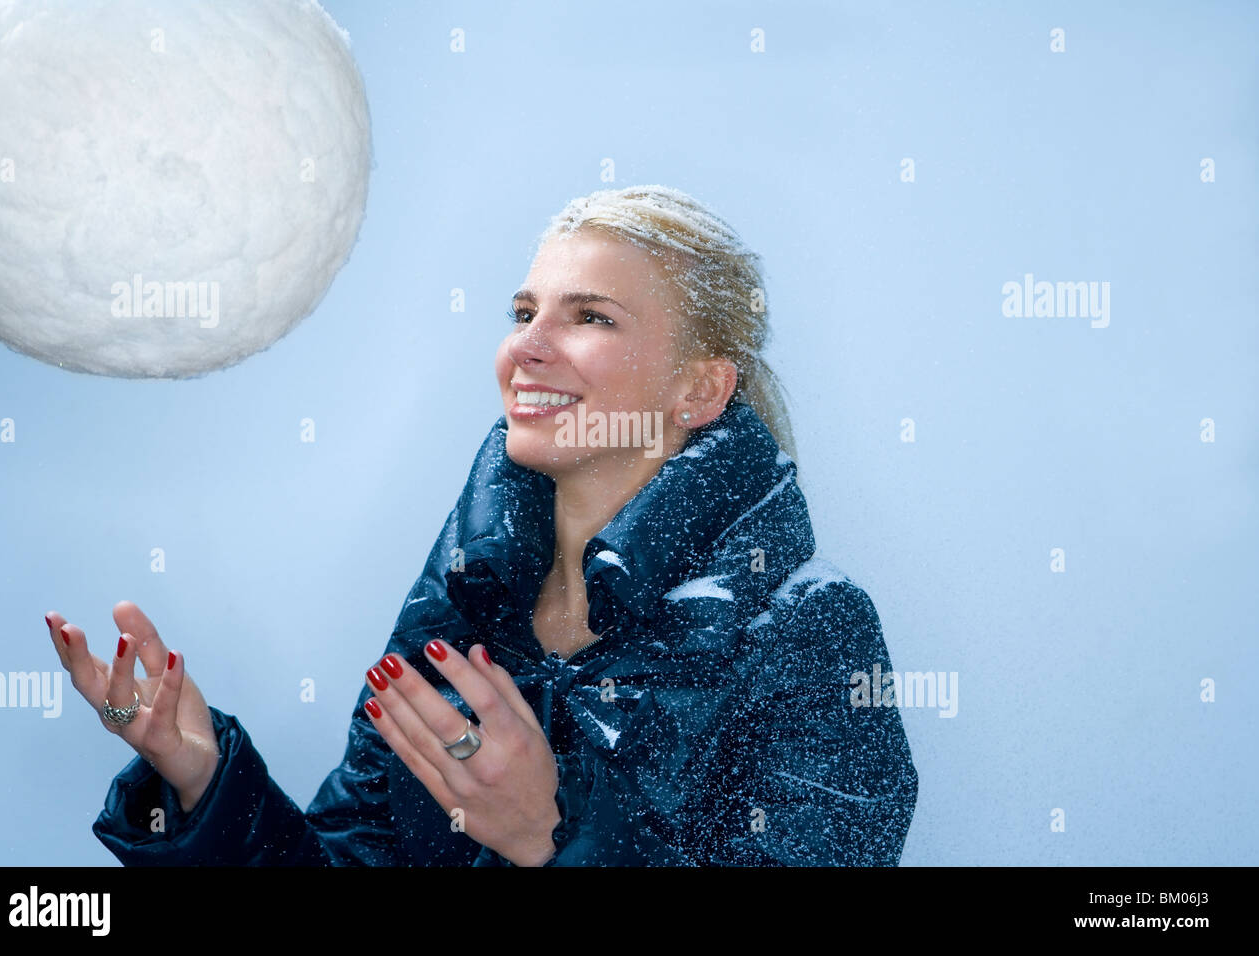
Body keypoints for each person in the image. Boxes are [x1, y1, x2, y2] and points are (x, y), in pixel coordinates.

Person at [46, 185, 919, 866]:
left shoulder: (808, 628)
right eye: (523, 312)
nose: (529, 346)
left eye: (591, 317)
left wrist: (553, 835)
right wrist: (203, 778)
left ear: (699, 390)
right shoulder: (461, 609)